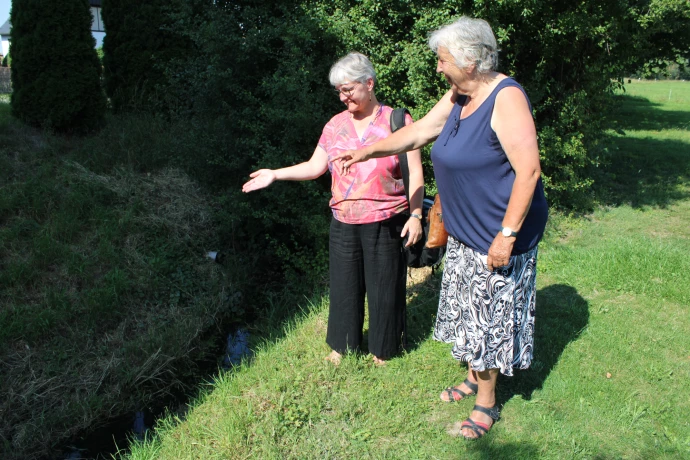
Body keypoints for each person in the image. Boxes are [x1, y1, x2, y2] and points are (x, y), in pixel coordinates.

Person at [333, 17, 548, 439]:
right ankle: (473, 377)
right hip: (466, 230)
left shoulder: (505, 98)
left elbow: (529, 172)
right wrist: (367, 150)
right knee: (467, 311)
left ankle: (486, 403)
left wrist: (506, 237)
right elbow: (418, 133)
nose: (437, 67)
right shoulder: (458, 95)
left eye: (443, 59)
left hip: (497, 233)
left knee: (486, 320)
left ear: (471, 62)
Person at [242, 52, 424, 366]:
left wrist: (417, 215)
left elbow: (416, 172)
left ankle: (384, 351)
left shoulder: (397, 120)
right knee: (344, 287)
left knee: (385, 289)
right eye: (339, 91)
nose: (343, 97)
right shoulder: (335, 125)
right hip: (343, 220)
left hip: (386, 218)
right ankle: (342, 347)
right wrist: (275, 174)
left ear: (369, 84)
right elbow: (315, 167)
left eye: (348, 89)